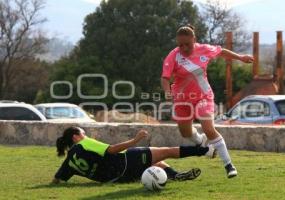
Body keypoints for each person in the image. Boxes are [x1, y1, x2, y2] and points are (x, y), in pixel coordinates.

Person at [161, 25, 254, 178]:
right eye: (180, 45)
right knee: (185, 133)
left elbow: (221, 51)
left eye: (187, 44)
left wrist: (240, 57)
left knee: (208, 127)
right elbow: (165, 77)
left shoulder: (204, 49)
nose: (183, 48)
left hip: (204, 96)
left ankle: (228, 165)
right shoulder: (173, 55)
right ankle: (202, 141)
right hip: (182, 99)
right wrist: (167, 91)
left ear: (194, 40)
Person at [52, 126, 216, 184]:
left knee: (154, 163)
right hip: (124, 162)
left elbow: (57, 179)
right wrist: (134, 140)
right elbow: (112, 150)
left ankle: (175, 175)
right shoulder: (84, 143)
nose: (86, 135)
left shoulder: (69, 161)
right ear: (76, 137)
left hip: (119, 178)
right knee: (167, 151)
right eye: (83, 133)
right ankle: (204, 150)